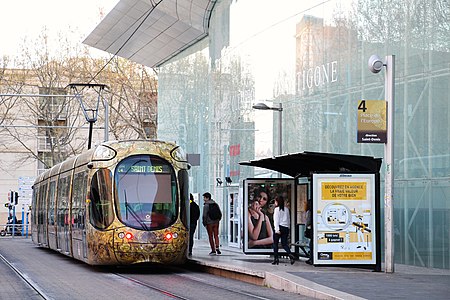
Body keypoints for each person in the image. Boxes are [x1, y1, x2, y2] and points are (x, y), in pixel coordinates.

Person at [272, 195, 295, 265]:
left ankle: (276, 259)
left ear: (277, 202)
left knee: (275, 244)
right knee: (284, 244)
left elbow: (276, 220)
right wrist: (288, 227)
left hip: (279, 227)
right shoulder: (286, 209)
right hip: (286, 228)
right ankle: (290, 254)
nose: (274, 203)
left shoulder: (276, 210)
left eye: (275, 201)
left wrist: (277, 229)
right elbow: (288, 219)